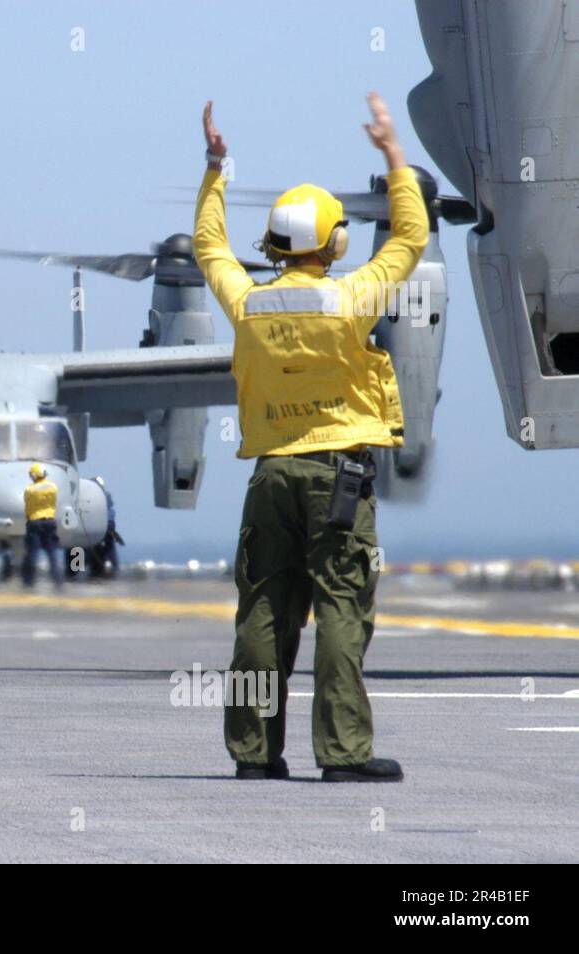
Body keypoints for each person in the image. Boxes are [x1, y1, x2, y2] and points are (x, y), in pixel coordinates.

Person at [194, 94, 427, 782]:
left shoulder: (248, 302)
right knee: (341, 609)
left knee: (263, 611)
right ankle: (343, 753)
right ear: (334, 244)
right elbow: (410, 240)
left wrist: (216, 169)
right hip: (338, 479)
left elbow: (209, 245)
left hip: (270, 477)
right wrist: (392, 155)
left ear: (271, 245)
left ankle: (254, 753)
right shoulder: (350, 298)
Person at [21, 463, 62, 587]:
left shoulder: (29, 489)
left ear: (33, 475)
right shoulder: (53, 487)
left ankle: (29, 582)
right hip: (50, 521)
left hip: (34, 522)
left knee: (32, 553)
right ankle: (58, 582)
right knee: (52, 553)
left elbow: (27, 504)